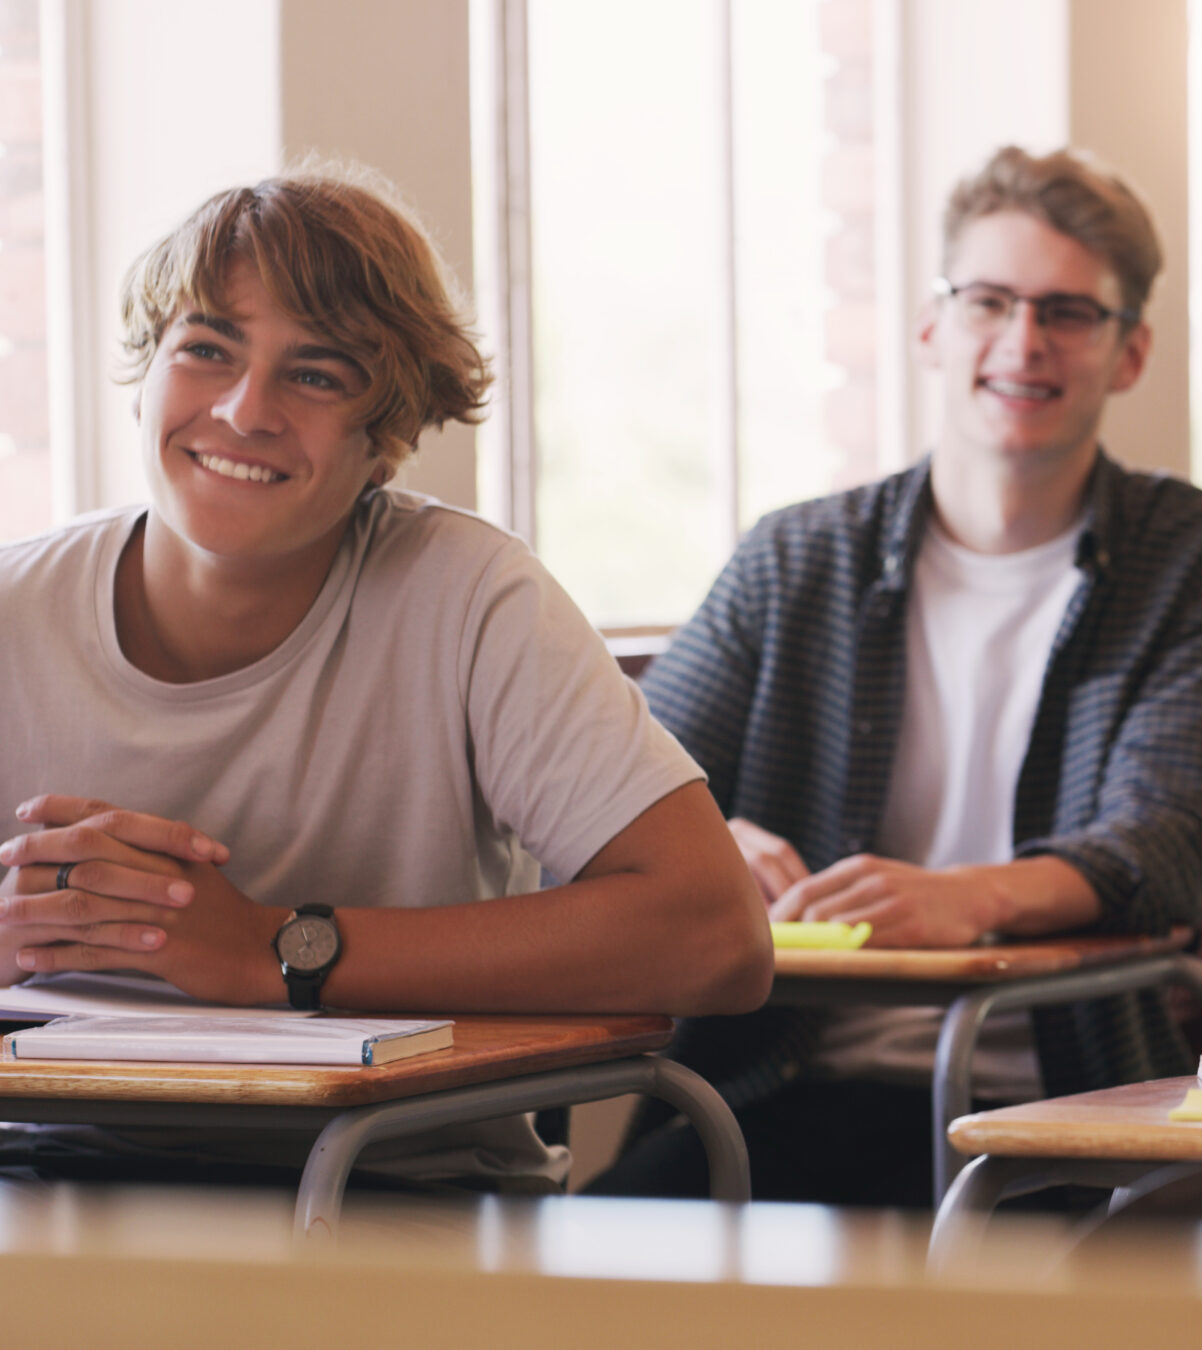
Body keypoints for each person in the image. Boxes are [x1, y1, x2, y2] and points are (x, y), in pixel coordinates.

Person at [0, 168, 771, 1187]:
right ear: (147, 373)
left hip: (395, 1188)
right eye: (206, 350)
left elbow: (717, 938)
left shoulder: (472, 597)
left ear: (386, 440)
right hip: (42, 1169)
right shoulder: (17, 607)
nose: (244, 409)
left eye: (316, 375)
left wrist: (270, 950)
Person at [590, 145, 1202, 1207]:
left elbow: (1170, 846)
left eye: (1068, 314)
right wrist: (704, 841)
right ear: (929, 327)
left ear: (1129, 352)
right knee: (590, 1264)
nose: (1022, 342)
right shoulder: (795, 557)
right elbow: (611, 793)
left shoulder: (1192, 557)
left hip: (1068, 1098)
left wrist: (967, 900)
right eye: (988, 301)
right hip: (783, 1079)